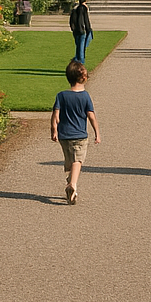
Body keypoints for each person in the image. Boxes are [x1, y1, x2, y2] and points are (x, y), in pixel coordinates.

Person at [51, 59, 101, 204]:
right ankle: (72, 185)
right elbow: (91, 116)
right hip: (79, 135)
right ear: (84, 78)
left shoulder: (61, 95)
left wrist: (53, 130)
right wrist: (97, 132)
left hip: (64, 135)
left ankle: (70, 179)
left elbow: (55, 114)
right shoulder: (85, 96)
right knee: (78, 160)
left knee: (69, 160)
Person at [69, 0, 93, 65]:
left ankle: (76, 60)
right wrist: (89, 29)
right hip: (82, 30)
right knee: (82, 49)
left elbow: (72, 20)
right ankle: (80, 64)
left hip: (76, 31)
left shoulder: (75, 8)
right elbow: (85, 20)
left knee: (78, 47)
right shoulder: (83, 8)